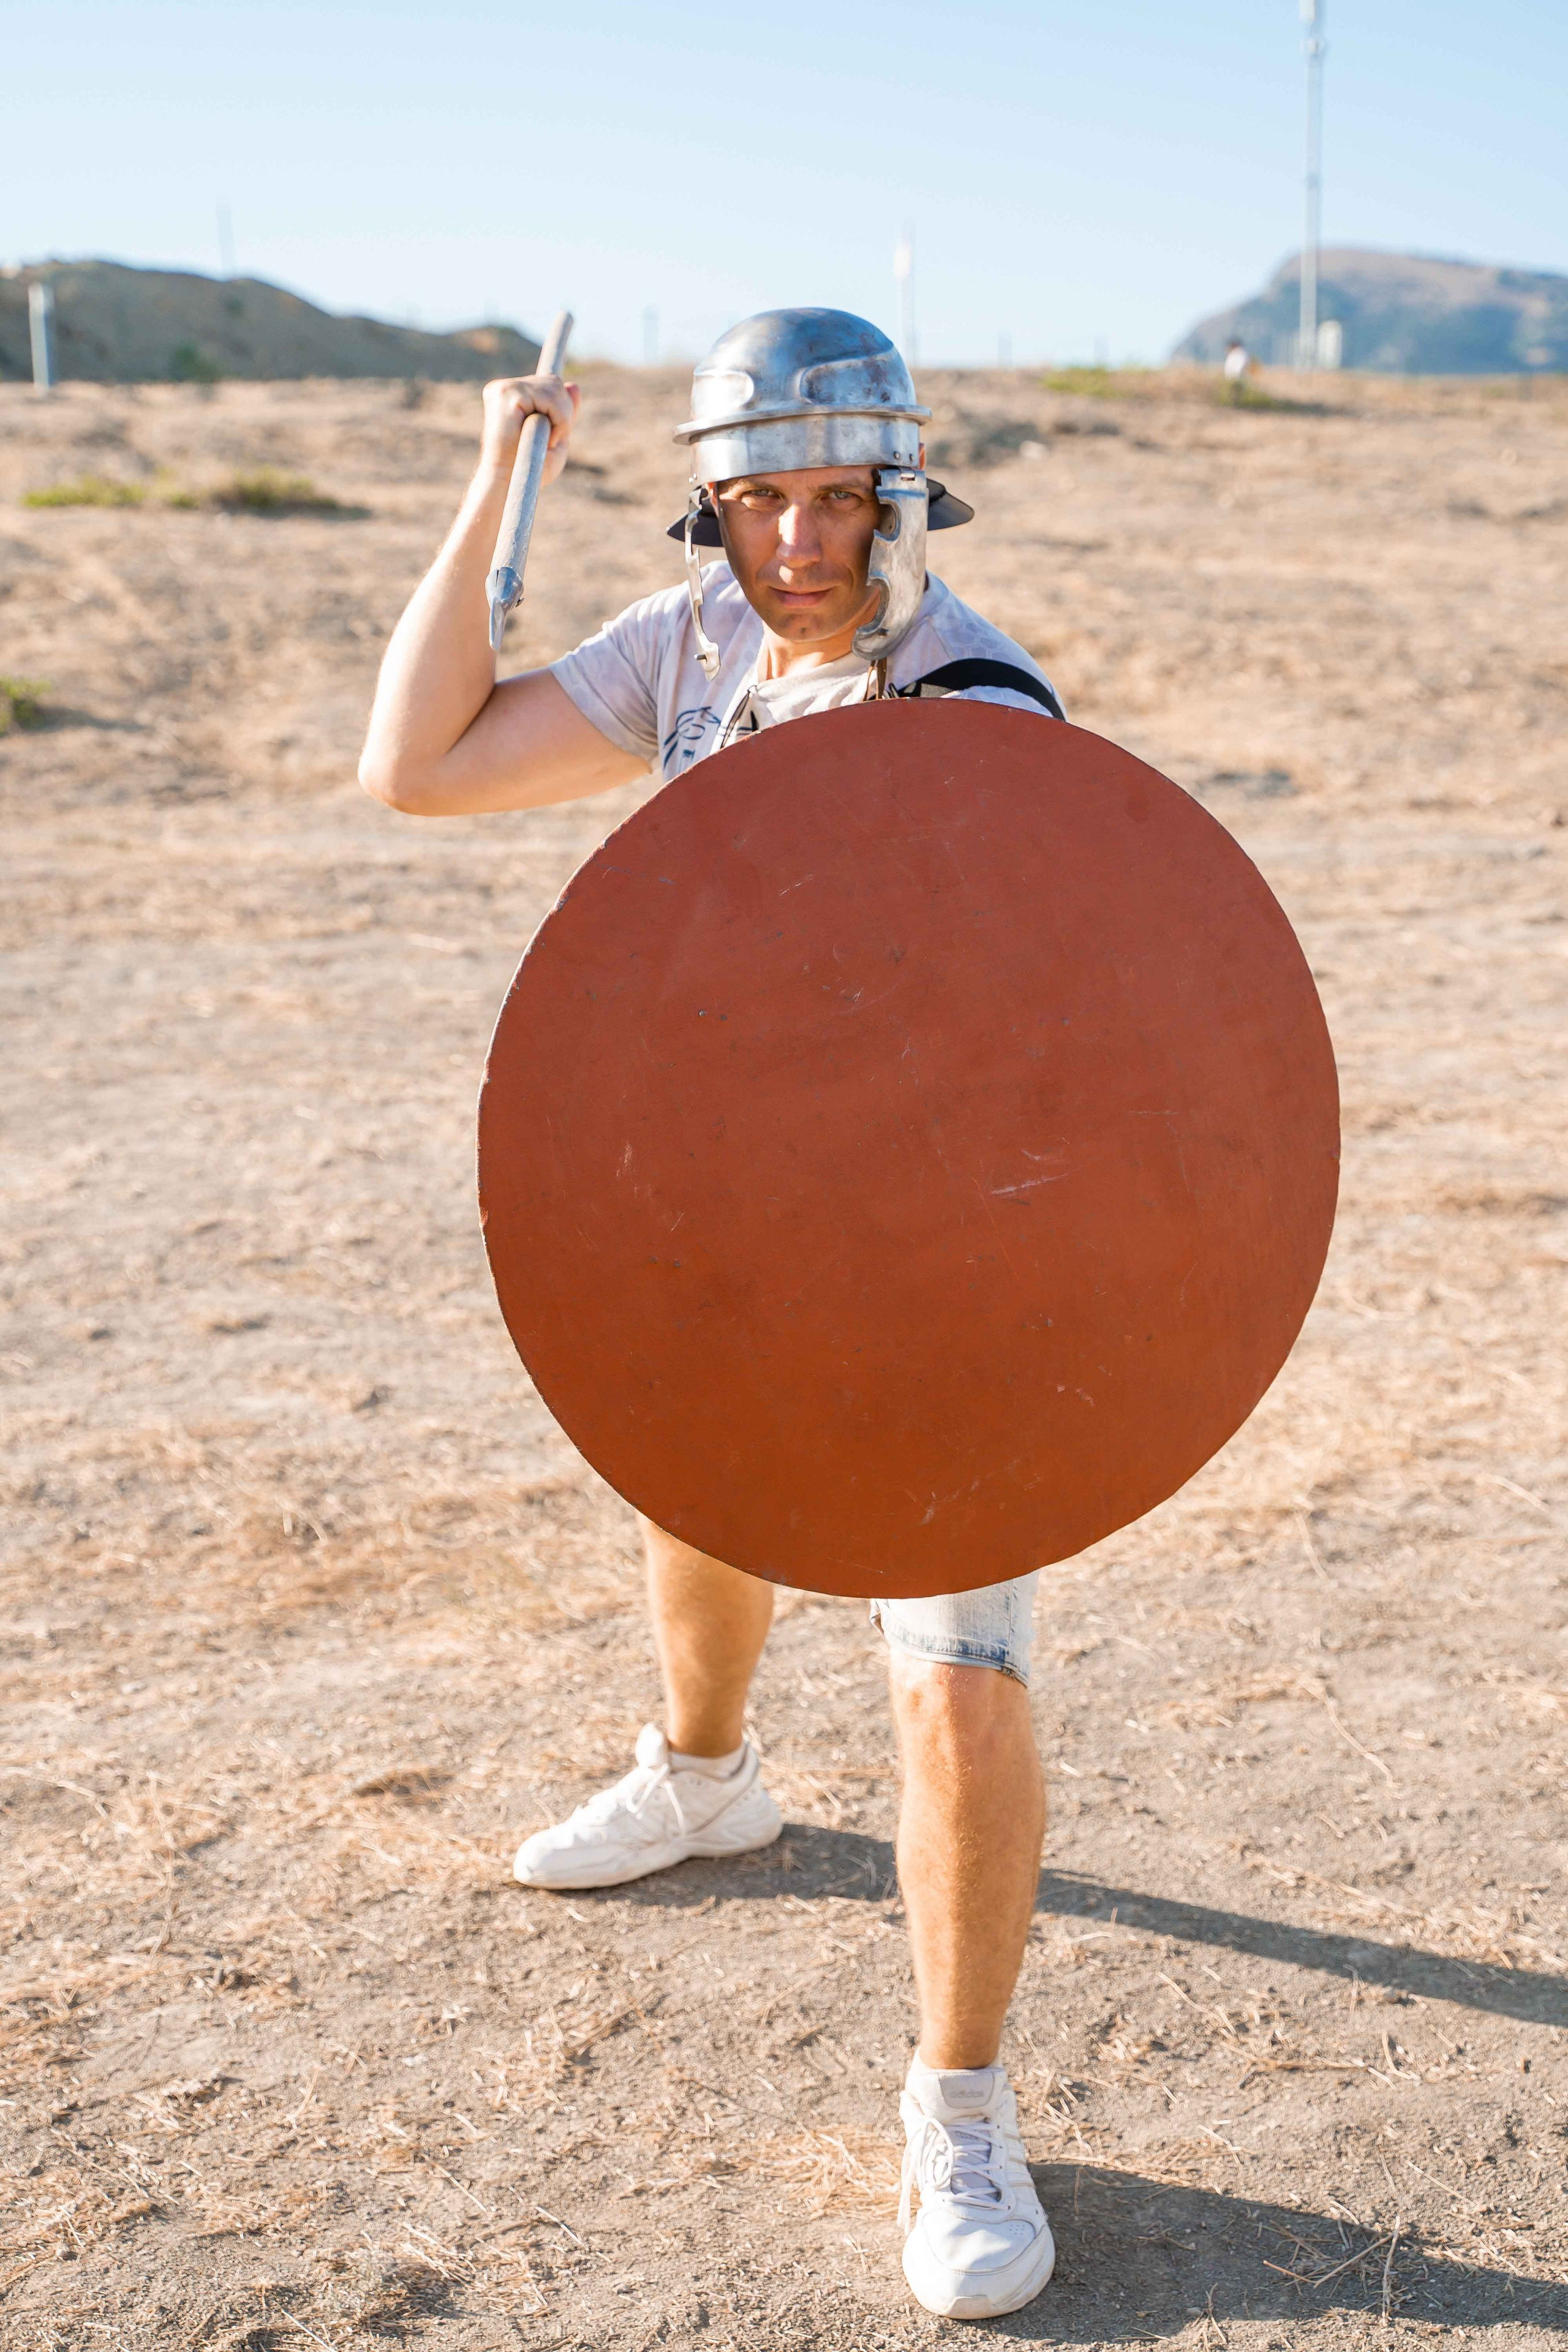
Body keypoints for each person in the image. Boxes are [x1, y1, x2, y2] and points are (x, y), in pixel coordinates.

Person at [360, 307, 1064, 2324]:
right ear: (713, 510)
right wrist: (498, 481)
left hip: (947, 1262)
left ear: (902, 500)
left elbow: (1050, 1029)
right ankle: (708, 1777)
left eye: (838, 500)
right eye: (761, 501)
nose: (801, 544)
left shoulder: (979, 702)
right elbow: (415, 767)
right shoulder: (690, 652)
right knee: (695, 1487)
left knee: (957, 1684)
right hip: (750, 1223)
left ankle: (961, 2104)